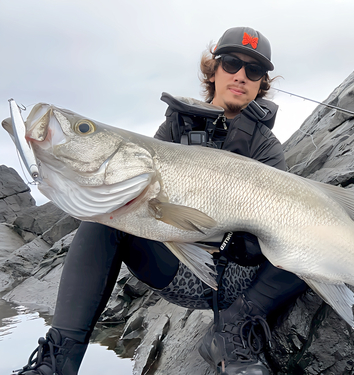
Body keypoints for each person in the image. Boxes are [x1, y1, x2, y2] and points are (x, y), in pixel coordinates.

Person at [16, 26, 308, 375]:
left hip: (241, 281)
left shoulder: (266, 146)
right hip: (175, 267)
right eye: (231, 63)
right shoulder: (174, 126)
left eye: (255, 70)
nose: (241, 75)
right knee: (103, 216)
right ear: (213, 70)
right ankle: (57, 361)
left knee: (313, 242)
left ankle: (233, 334)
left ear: (263, 83)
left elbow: (280, 225)